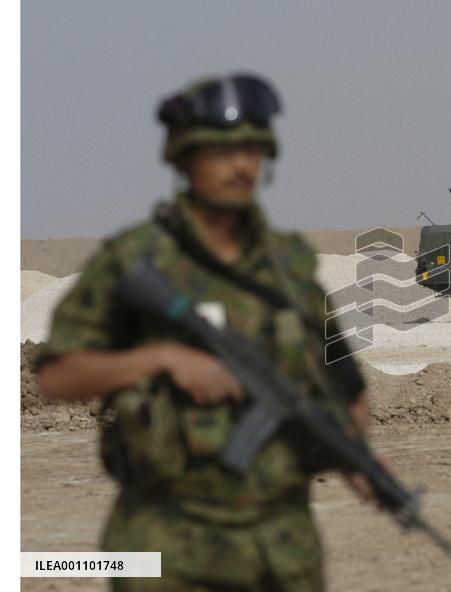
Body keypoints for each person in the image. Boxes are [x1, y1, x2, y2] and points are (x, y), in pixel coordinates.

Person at [34, 73, 382, 591]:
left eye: (252, 151)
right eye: (222, 152)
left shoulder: (289, 268)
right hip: (165, 550)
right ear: (184, 159)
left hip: (281, 553)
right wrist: (159, 359)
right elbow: (56, 377)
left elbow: (344, 381)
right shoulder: (135, 262)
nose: (241, 165)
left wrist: (355, 452)